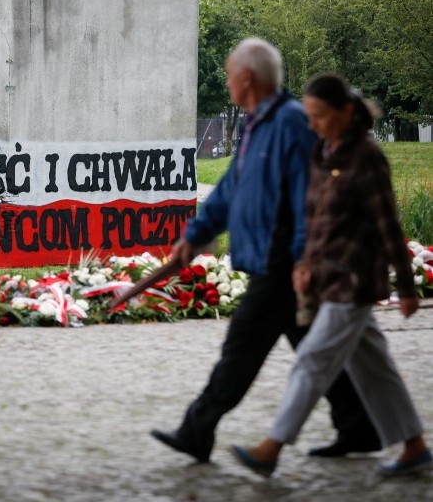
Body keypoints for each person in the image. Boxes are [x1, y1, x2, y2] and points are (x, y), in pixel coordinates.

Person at [150, 38, 380, 463]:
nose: (226, 80)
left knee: (240, 350)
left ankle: (197, 430)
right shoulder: (256, 123)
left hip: (282, 263)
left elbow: (304, 199)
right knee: (314, 345)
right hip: (273, 261)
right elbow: (232, 188)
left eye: (229, 73)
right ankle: (359, 425)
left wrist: (301, 258)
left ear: (247, 78)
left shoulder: (292, 123)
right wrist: (195, 233)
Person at [230, 73, 431, 478]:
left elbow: (387, 224)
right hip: (328, 278)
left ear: (345, 111)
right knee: (375, 367)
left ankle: (271, 448)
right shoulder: (325, 152)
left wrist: (407, 288)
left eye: (320, 115)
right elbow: (316, 219)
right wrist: (304, 264)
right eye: (310, 116)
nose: (313, 124)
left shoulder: (366, 157)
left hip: (352, 282)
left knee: (311, 360)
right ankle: (414, 446)